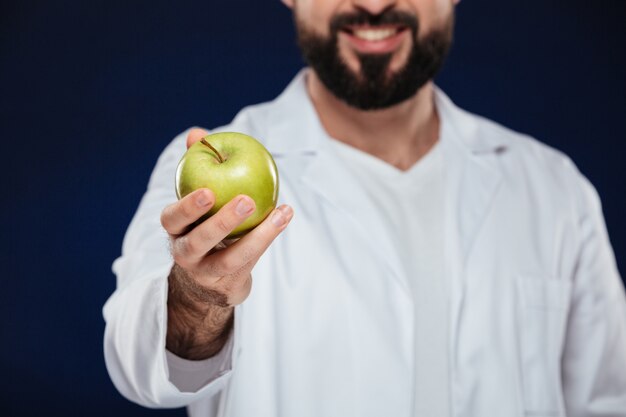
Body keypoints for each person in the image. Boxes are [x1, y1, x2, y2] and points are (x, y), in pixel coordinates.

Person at [103, 0, 626, 416]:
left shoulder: (554, 189)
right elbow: (140, 367)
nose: (374, 4)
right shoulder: (196, 176)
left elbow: (609, 401)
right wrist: (198, 298)